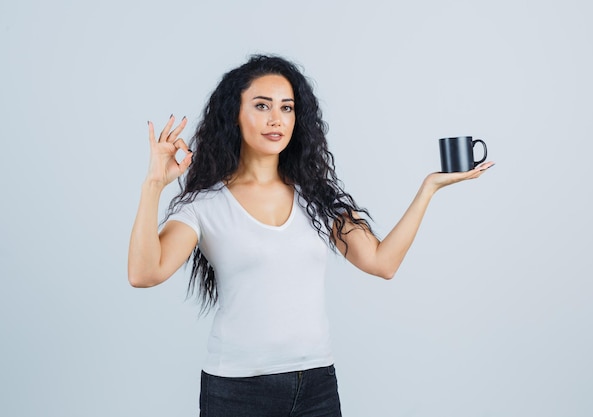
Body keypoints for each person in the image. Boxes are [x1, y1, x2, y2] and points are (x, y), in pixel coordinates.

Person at [127, 54, 494, 417]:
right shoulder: (205, 205)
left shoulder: (317, 198)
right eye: (261, 105)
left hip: (316, 385)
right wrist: (153, 185)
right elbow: (145, 273)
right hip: (239, 391)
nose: (276, 119)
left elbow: (383, 262)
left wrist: (428, 188)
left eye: (287, 108)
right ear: (234, 116)